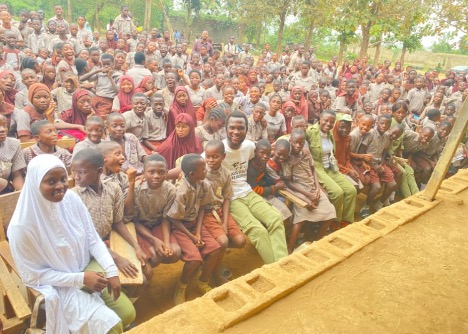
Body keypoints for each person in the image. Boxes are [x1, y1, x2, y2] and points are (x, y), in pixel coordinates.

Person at [8, 155, 124, 333]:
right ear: (34, 183)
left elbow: (93, 239)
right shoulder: (21, 227)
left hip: (84, 268)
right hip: (58, 286)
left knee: (127, 314)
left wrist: (111, 271)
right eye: (51, 181)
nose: (60, 186)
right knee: (113, 326)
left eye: (63, 179)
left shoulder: (71, 199)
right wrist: (81, 278)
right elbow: (33, 276)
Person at [223, 111, 287, 264]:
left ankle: (283, 263)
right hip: (231, 199)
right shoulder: (219, 149)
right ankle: (276, 268)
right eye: (232, 128)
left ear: (247, 129)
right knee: (257, 230)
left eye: (241, 128)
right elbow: (195, 162)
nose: (236, 132)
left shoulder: (249, 146)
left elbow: (267, 150)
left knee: (275, 218)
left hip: (248, 192)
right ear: (226, 129)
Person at [168, 154, 222, 304]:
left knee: (215, 250)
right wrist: (192, 237)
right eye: (203, 169)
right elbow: (174, 219)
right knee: (194, 260)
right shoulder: (181, 191)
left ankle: (202, 282)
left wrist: (198, 232)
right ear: (192, 174)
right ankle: (181, 286)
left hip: (194, 225)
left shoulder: (204, 184)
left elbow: (202, 208)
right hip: (180, 227)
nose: (206, 170)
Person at [278, 130, 336, 253]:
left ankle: (317, 242)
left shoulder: (306, 152)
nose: (298, 145)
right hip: (299, 189)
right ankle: (290, 248)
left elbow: (313, 170)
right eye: (295, 143)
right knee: (301, 218)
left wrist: (317, 187)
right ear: (290, 142)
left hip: (312, 187)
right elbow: (289, 182)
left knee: (330, 212)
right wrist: (307, 194)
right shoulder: (287, 159)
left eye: (301, 142)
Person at [203, 140, 246, 285]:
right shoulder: (201, 172)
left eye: (215, 157)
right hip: (206, 213)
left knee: (240, 241)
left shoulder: (225, 174)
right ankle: (215, 273)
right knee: (223, 241)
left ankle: (213, 257)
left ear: (223, 156)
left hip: (220, 210)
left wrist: (225, 222)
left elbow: (227, 198)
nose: (210, 160)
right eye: (208, 156)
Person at [305, 110, 357, 225]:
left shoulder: (329, 134)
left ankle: (347, 219)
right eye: (326, 121)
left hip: (331, 167)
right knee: (337, 193)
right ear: (320, 119)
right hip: (318, 169)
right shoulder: (310, 132)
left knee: (351, 190)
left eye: (332, 122)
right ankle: (334, 220)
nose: (328, 124)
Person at [131, 154, 182, 268]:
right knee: (154, 257)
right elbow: (133, 220)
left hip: (158, 224)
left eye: (161, 172)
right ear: (143, 172)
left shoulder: (171, 190)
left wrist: (167, 243)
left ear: (167, 172)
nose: (156, 176)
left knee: (175, 252)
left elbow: (165, 218)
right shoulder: (135, 189)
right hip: (140, 225)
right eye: (151, 172)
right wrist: (153, 240)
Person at [0, 113, 26, 193]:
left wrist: (20, 194)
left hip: (5, 191)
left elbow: (17, 175)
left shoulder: (13, 144)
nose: (2, 129)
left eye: (4, 125)